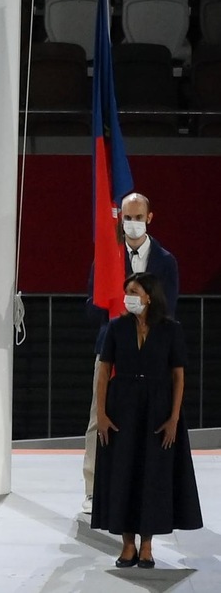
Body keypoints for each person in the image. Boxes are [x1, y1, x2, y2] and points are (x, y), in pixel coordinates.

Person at [91, 272, 201, 568]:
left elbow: (178, 376)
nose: (129, 296)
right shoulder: (115, 328)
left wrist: (174, 418)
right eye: (127, 290)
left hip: (158, 409)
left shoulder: (170, 329)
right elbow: (104, 372)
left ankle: (148, 546)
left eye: (135, 291)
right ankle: (128, 545)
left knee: (153, 475)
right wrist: (101, 414)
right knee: (124, 471)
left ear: (149, 296)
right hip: (122, 407)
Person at [82, 192, 177, 514]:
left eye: (138, 218)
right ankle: (94, 490)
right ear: (119, 219)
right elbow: (92, 309)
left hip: (150, 356)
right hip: (110, 350)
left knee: (151, 420)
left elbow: (170, 310)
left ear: (149, 218)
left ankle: (149, 489)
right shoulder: (105, 258)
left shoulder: (165, 261)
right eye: (127, 218)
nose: (132, 224)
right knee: (100, 419)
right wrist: (114, 308)